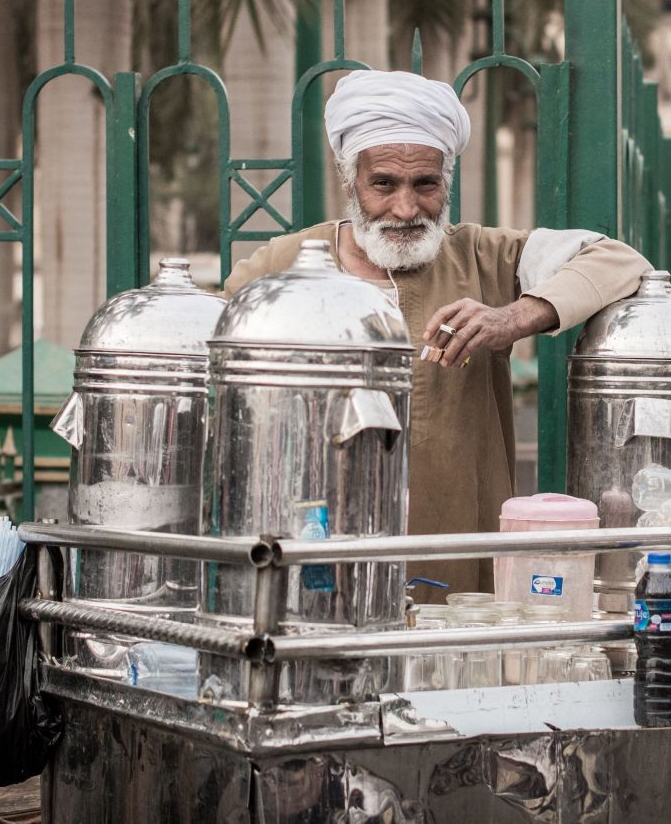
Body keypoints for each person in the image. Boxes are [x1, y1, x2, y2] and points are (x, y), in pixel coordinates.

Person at [223, 70, 649, 597]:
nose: (406, 208)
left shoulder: (485, 257)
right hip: (312, 556)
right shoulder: (283, 264)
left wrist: (515, 316)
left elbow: (618, 259)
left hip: (454, 570)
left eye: (425, 184)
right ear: (349, 178)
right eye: (384, 184)